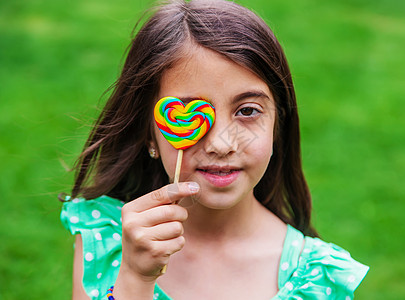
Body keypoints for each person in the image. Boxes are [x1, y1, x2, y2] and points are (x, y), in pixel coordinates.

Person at [60, 0, 369, 299]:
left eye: (247, 111)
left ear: (278, 126)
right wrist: (134, 278)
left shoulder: (315, 277)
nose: (221, 144)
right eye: (187, 113)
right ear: (149, 135)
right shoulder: (108, 241)